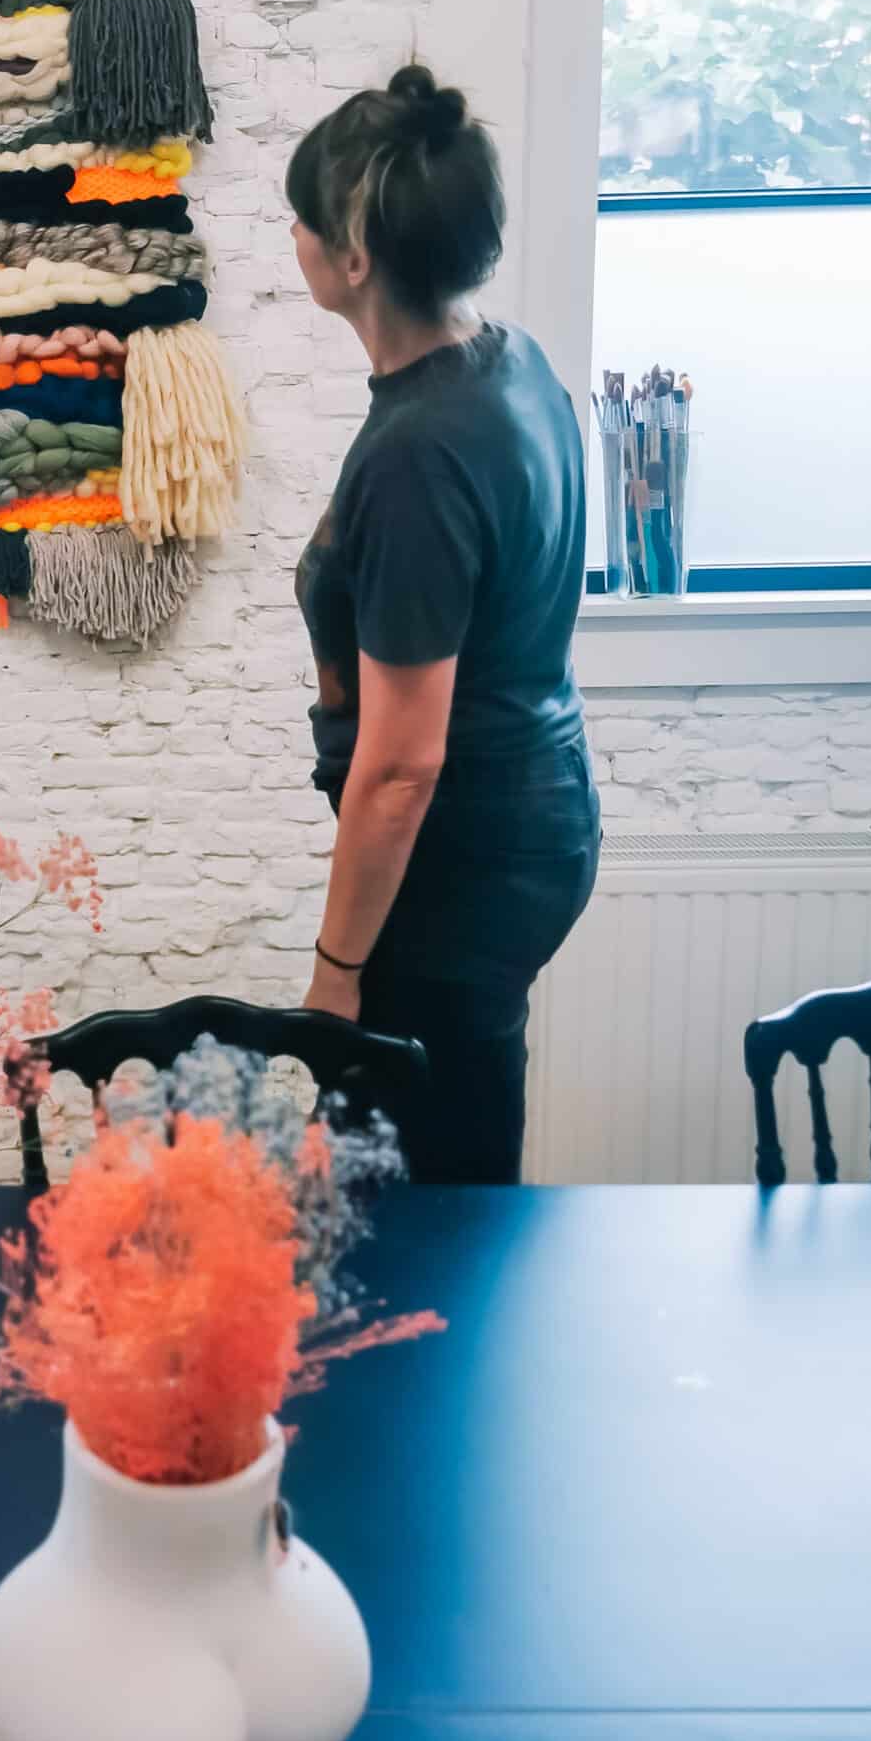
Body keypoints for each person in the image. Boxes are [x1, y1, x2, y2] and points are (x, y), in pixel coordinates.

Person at [288, 64, 599, 1183]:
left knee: (423, 1200)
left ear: (354, 259)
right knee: (456, 1145)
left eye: (305, 217)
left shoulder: (419, 453)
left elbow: (401, 767)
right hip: (535, 815)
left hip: (463, 859)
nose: (292, 233)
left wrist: (335, 975)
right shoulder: (513, 363)